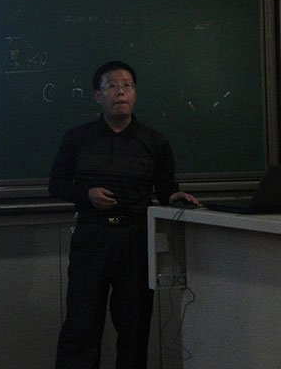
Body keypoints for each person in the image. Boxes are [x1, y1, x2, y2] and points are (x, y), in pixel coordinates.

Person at [49, 60, 198, 369]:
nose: (121, 91)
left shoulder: (155, 142)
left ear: (135, 93)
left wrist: (175, 197)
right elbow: (57, 184)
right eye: (112, 86)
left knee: (134, 327)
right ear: (98, 96)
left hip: (135, 240)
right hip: (92, 237)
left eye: (127, 85)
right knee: (81, 326)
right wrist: (87, 195)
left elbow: (166, 188)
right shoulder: (77, 138)